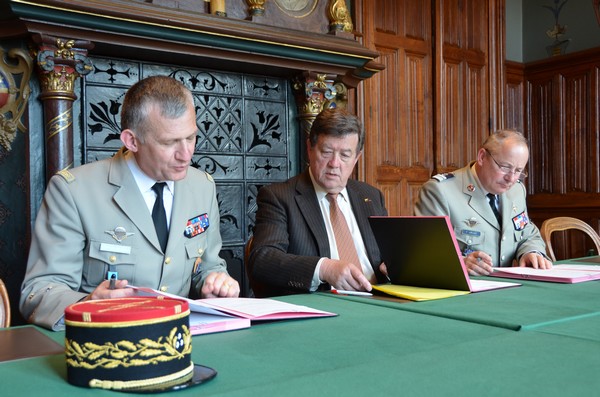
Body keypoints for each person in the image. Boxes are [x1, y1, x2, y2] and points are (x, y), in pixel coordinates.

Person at [20, 75, 239, 330]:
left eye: (190, 137)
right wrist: (88, 303)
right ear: (131, 141)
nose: (186, 155)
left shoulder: (202, 186)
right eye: (169, 143)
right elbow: (37, 293)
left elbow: (207, 265)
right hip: (106, 347)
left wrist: (215, 282)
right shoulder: (73, 191)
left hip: (181, 341)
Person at [247, 107, 388, 297]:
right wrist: (324, 269)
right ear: (310, 149)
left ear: (356, 158)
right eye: (327, 152)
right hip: (323, 309)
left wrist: (394, 266)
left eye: (345, 155)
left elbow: (387, 256)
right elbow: (262, 260)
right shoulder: (279, 197)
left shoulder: (371, 196)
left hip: (381, 301)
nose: (334, 163)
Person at [414, 129, 553, 275]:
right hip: (462, 291)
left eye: (518, 170)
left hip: (506, 288)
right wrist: (460, 263)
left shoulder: (516, 191)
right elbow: (426, 253)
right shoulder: (440, 191)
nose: (511, 178)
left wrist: (531, 252)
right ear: (482, 157)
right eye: (505, 167)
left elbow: (527, 234)